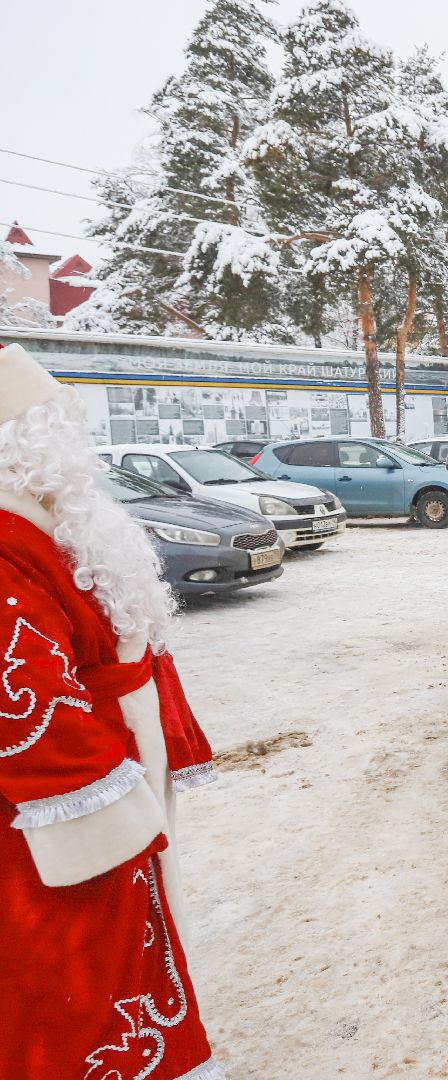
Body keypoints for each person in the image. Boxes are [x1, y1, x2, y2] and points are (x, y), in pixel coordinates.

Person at [0, 344, 222, 1078]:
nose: (74, 439)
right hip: (69, 819)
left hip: (122, 762)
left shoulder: (48, 521)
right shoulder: (7, 544)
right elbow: (25, 702)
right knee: (87, 972)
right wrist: (116, 811)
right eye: (56, 423)